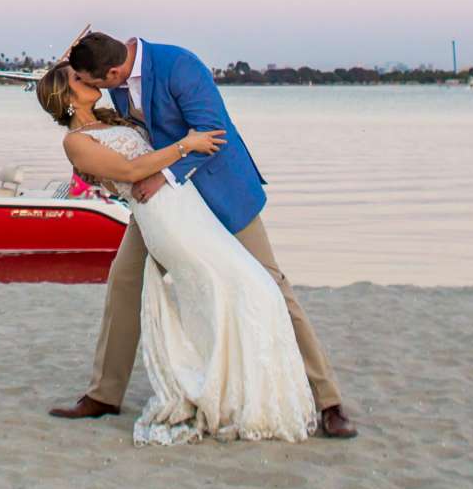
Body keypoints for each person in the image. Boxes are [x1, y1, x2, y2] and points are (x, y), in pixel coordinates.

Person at [47, 31, 354, 441]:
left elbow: (212, 131)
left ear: (115, 71)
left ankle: (328, 400)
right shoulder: (108, 70)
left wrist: (164, 174)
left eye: (95, 81)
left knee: (271, 284)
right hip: (162, 204)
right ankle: (104, 393)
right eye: (85, 82)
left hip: (217, 189)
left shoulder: (180, 66)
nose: (96, 90)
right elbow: (112, 125)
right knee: (124, 281)